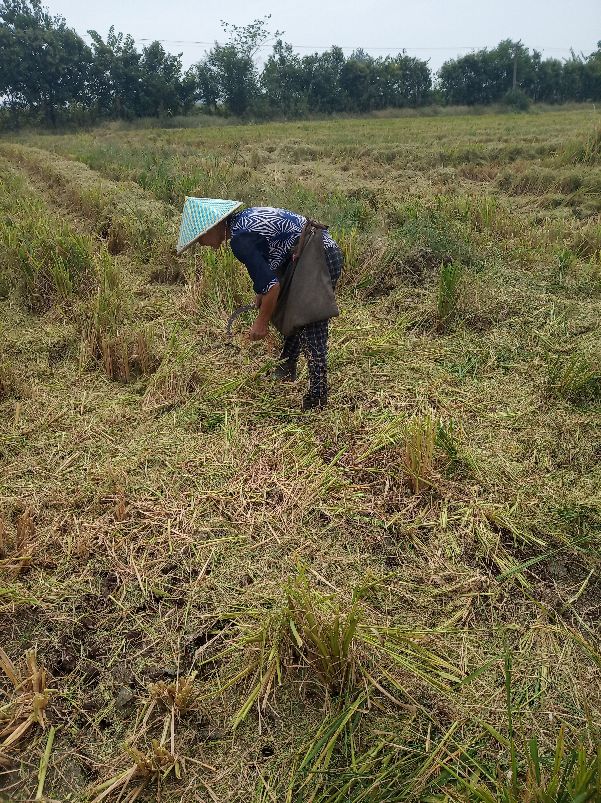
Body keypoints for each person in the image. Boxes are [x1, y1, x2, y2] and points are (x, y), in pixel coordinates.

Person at [176, 199, 344, 410]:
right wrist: (260, 291)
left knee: (309, 320)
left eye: (200, 238)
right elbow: (268, 264)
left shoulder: (239, 239)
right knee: (291, 311)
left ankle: (318, 396)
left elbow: (273, 288)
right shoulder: (241, 223)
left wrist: (261, 323)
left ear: (213, 226)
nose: (202, 244)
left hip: (319, 253)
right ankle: (287, 366)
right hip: (306, 253)